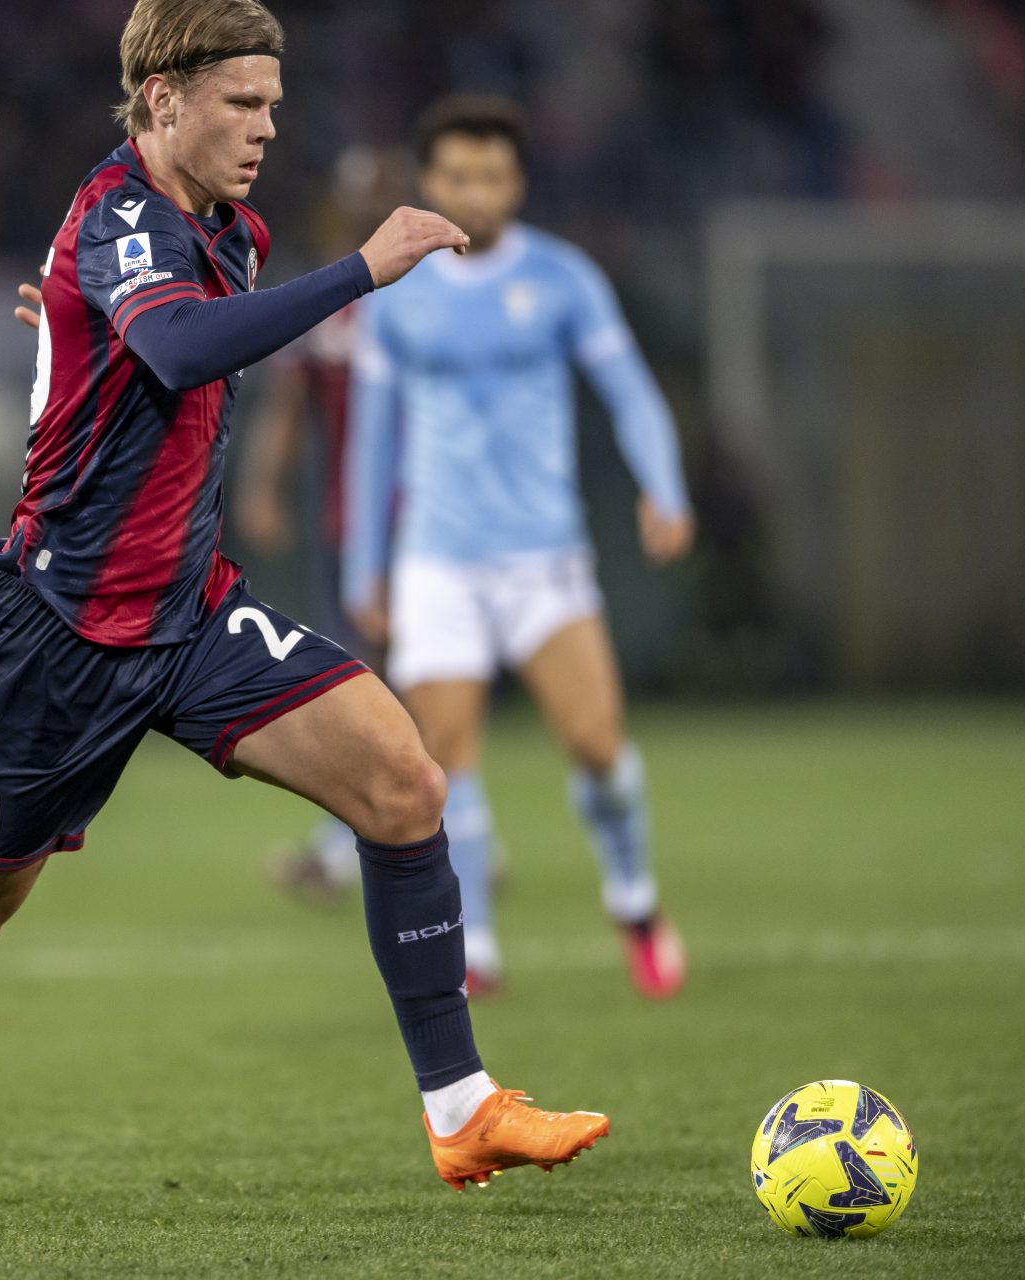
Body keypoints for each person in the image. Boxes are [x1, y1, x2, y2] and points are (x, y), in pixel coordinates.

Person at [0, 0, 609, 1211]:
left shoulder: (220, 226)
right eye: (243, 102)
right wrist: (359, 272)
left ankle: (460, 1110)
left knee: (404, 783)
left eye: (275, 105)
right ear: (164, 100)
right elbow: (180, 352)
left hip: (189, 612)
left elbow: (147, 357)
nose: (266, 127)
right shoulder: (126, 210)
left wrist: (72, 341)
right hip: (59, 633)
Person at [338, 96, 695, 1000]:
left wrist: (664, 486)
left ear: (518, 181)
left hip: (546, 559)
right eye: (458, 176)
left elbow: (630, 391)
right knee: (446, 758)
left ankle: (635, 898)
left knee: (598, 748)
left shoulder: (565, 278)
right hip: (438, 561)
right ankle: (480, 948)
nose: (477, 192)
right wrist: (364, 565)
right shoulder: (396, 293)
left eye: (493, 176)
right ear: (430, 182)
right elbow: (372, 437)